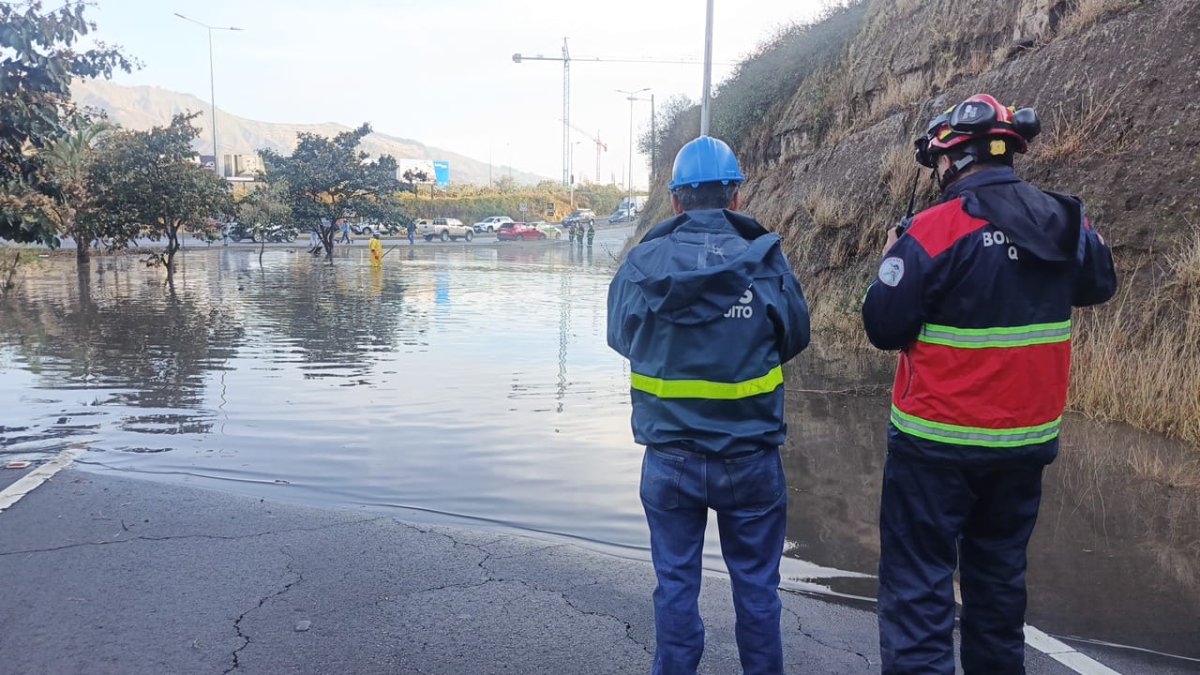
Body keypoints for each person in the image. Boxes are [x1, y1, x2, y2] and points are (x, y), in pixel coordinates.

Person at [861, 94, 1117, 674]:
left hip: (933, 448)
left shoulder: (933, 229)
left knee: (917, 596)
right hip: (1022, 449)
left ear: (953, 159)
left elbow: (882, 326)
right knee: (998, 596)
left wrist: (889, 262)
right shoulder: (1065, 221)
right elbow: (1100, 285)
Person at [607, 135, 811, 674]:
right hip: (750, 457)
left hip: (670, 459)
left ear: (675, 201)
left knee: (675, 585)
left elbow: (621, 338)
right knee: (758, 591)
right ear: (736, 196)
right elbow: (794, 337)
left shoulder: (641, 265)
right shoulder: (765, 260)